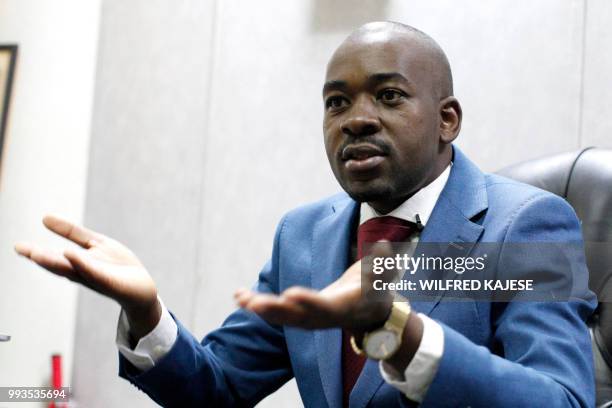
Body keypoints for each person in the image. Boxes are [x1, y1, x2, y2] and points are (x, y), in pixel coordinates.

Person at [15, 22, 596, 407]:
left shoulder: (525, 226)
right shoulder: (304, 237)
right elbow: (219, 389)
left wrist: (401, 334)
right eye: (336, 102)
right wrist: (145, 310)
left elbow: (561, 400)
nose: (356, 119)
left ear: (447, 120)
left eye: (388, 96)